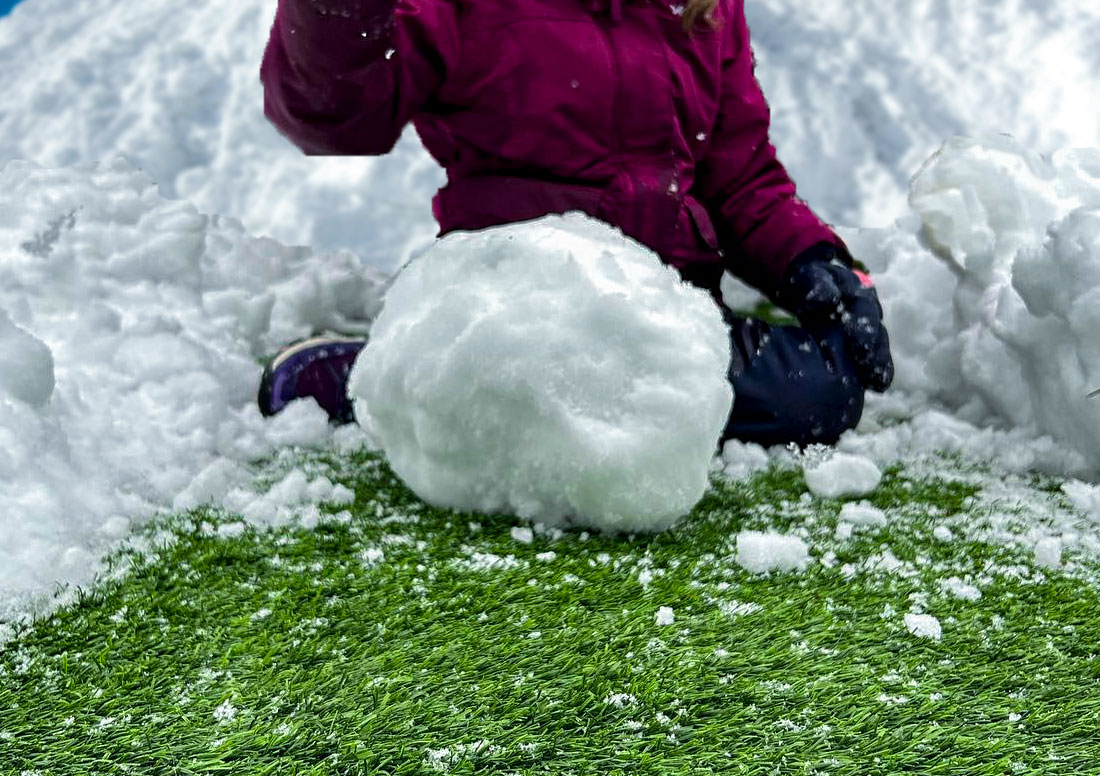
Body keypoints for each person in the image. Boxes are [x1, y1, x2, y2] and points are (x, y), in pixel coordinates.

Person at [257, 0, 894, 449]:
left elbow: (741, 176)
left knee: (820, 391)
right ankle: (395, 376)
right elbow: (334, 115)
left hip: (664, 311)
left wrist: (813, 263)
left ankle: (442, 387)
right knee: (544, 362)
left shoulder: (704, 8)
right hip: (513, 296)